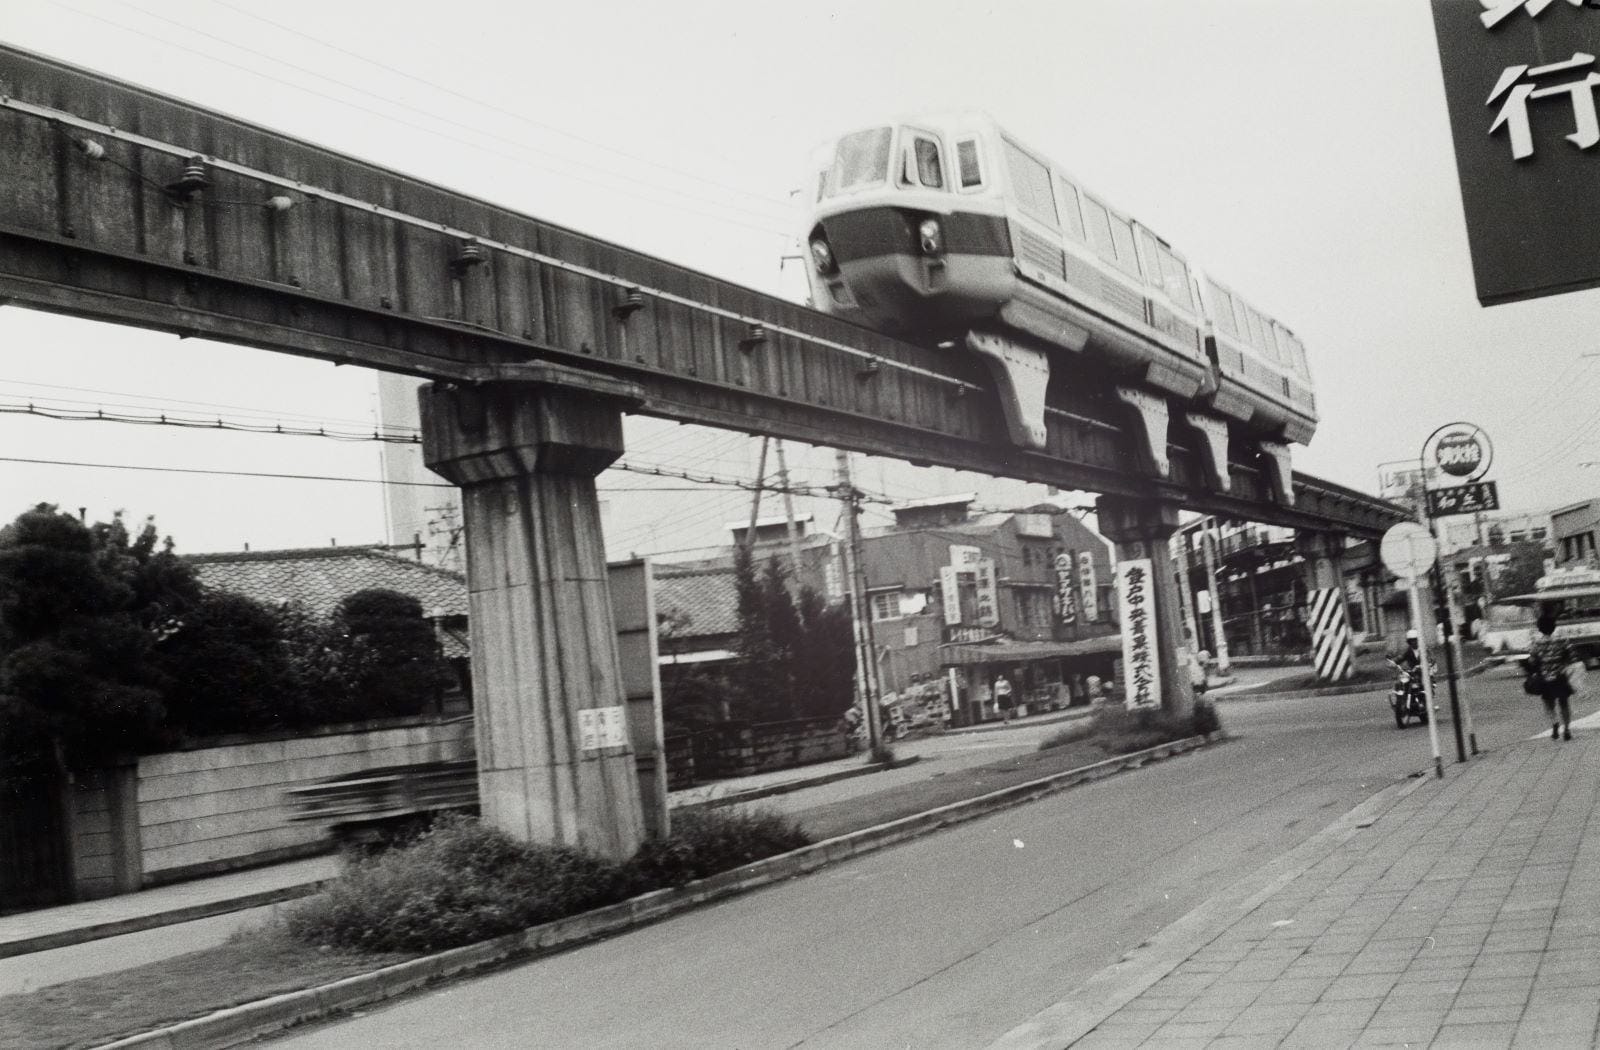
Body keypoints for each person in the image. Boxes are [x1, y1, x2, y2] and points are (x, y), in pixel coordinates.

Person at [1527, 613, 1576, 742]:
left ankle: (1554, 722)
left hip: (1545, 678)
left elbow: (1532, 661)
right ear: (1554, 627)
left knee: (1549, 703)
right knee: (1564, 703)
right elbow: (1571, 655)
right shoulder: (1562, 640)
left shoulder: (1536, 643)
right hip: (1560, 676)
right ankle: (1566, 729)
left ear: (1539, 628)